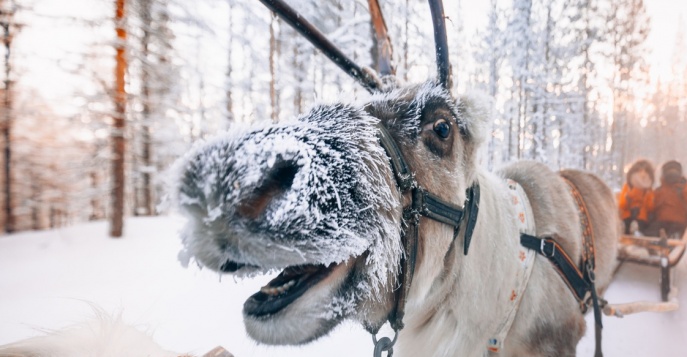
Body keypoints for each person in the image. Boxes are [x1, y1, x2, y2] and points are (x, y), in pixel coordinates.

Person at [646, 160, 687, 238]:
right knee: (652, 230)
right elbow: (650, 207)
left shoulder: (683, 188)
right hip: (660, 223)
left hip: (679, 224)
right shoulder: (658, 191)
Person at [618, 159, 655, 234]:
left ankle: (635, 230)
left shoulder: (648, 190)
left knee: (641, 222)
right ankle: (626, 228)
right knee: (627, 222)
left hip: (641, 217)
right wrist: (631, 195)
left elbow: (650, 207)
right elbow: (622, 205)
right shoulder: (627, 187)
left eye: (645, 172)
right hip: (627, 215)